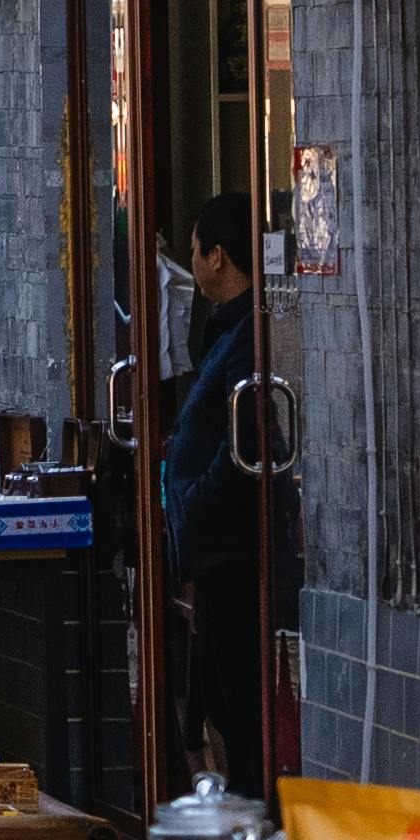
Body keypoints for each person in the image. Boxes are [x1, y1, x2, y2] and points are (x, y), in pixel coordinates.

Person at [159, 195, 281, 792]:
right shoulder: (229, 329)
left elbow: (246, 448)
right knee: (221, 703)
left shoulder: (248, 336)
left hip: (234, 551)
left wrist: (197, 501)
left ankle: (259, 819)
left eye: (195, 250)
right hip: (215, 552)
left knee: (239, 702)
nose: (191, 262)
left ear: (217, 256)